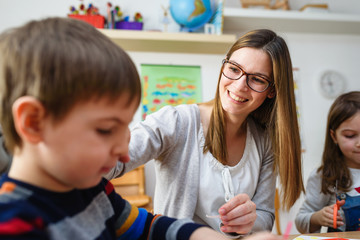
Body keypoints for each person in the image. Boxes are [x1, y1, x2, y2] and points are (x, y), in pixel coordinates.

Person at [0, 17, 282, 240]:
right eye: (106, 129)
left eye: (257, 79)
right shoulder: (13, 222)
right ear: (34, 122)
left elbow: (151, 227)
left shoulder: (96, 195)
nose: (124, 151)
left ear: (271, 90)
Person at [105, 29, 304, 236]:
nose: (239, 86)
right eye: (234, 69)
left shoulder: (264, 142)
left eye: (257, 79)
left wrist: (250, 221)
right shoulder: (176, 122)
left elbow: (265, 217)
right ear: (224, 65)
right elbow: (105, 163)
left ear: (272, 90)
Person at [295, 91, 360, 233]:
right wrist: (317, 218)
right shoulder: (325, 177)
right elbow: (300, 221)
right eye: (350, 136)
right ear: (334, 136)